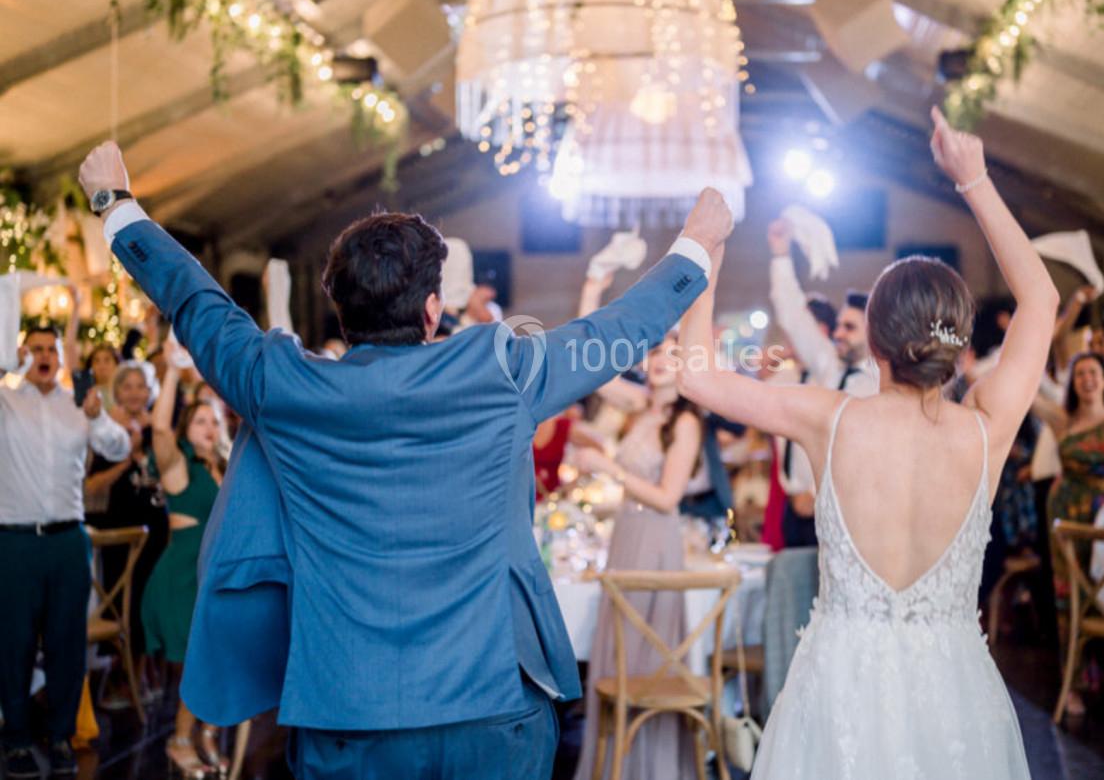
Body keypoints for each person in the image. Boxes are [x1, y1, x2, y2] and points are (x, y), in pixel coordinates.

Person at [79, 141, 732, 780]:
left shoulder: (282, 385)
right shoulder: (500, 371)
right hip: (493, 706)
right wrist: (695, 245)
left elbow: (198, 306)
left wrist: (117, 206)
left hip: (348, 713)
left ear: (343, 308)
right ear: (431, 311)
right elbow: (613, 335)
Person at [677, 107, 1055, 778]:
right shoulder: (986, 427)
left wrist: (702, 250)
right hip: (956, 695)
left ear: (873, 343)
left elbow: (697, 377)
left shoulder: (831, 418)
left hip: (839, 692)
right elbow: (1042, 299)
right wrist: (973, 179)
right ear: (960, 346)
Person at [571, 333, 704, 780]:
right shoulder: (640, 405)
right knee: (620, 657)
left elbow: (668, 497)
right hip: (626, 535)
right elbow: (593, 370)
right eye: (656, 351)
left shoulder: (685, 422)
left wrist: (610, 468)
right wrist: (592, 287)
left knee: (648, 657)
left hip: (656, 540)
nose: (662, 359)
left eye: (673, 353)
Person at [0, 325, 131, 779]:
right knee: (14, 644)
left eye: (50, 349)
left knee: (66, 645)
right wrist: (9, 369)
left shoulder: (81, 404)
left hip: (68, 539)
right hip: (15, 539)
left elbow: (120, 445)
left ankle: (60, 738)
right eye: (34, 349)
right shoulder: (6, 399)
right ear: (22, 353)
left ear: (60, 357)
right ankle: (15, 740)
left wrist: (97, 416)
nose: (43, 355)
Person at [1032, 351, 1104, 715]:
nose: (1087, 379)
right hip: (1064, 515)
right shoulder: (1064, 420)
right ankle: (1072, 680)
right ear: (1073, 383)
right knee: (1069, 597)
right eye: (1080, 375)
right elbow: (1029, 395)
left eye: (1094, 372)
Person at [142, 343, 229, 778]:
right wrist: (175, 371)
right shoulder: (180, 467)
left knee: (220, 656)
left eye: (214, 420)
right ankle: (180, 740)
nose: (209, 427)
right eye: (199, 420)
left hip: (214, 578)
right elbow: (158, 431)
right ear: (186, 428)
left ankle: (206, 732)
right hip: (180, 579)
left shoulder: (227, 466)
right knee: (199, 662)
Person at [767, 219, 879, 548]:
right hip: (796, 513)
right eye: (839, 325)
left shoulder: (879, 388)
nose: (838, 333)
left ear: (873, 333)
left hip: (848, 519)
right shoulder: (827, 364)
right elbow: (793, 315)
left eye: (849, 327)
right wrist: (780, 254)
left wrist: (817, 496)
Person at [83, 362, 170, 708]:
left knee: (151, 604)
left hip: (157, 528)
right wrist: (125, 457)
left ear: (151, 392)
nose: (135, 393)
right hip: (121, 531)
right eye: (128, 386)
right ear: (117, 391)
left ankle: (146, 672)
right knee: (128, 605)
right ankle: (123, 676)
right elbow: (90, 486)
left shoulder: (159, 430)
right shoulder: (108, 433)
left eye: (142, 386)